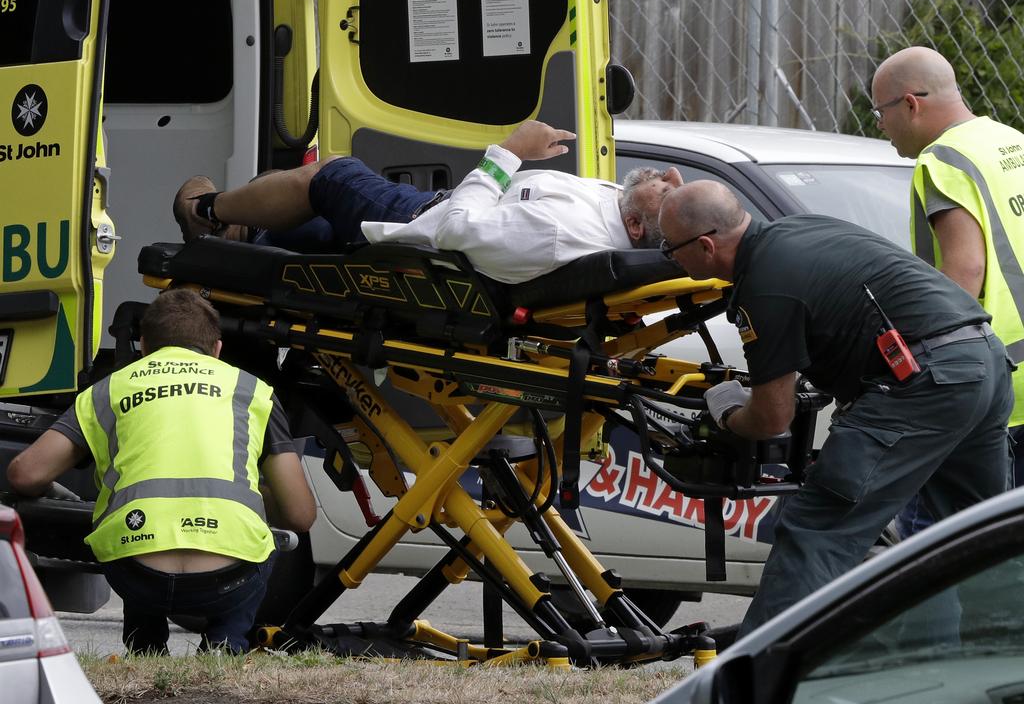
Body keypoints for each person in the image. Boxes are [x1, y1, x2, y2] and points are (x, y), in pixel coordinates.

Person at [658, 180, 1014, 637]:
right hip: (983, 361)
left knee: (818, 527)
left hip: (924, 382)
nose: (670, 258)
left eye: (671, 249)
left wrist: (726, 409)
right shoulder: (803, 229)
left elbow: (771, 418)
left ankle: (759, 671)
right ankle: (994, 661)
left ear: (706, 246)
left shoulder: (764, 286)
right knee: (978, 534)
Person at [6, 289, 316, 655]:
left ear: (142, 346)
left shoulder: (110, 389)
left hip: (138, 575)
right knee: (264, 546)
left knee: (133, 530)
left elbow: (25, 475)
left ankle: (146, 645)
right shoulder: (251, 390)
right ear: (217, 349)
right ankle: (225, 643)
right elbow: (300, 515)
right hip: (228, 579)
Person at [173, 120, 677, 284]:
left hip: (425, 224)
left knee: (331, 176)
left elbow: (456, 231)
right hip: (438, 210)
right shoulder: (620, 212)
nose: (669, 174)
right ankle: (242, 238)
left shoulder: (559, 234)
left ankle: (208, 212)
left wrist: (509, 154)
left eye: (672, 190)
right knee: (325, 234)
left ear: (636, 227)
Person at [872, 46, 1024, 537]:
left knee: (946, 553)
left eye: (882, 112)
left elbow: (965, 269)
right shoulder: (1010, 141)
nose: (880, 125)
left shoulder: (942, 160)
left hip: (997, 385)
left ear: (910, 105)